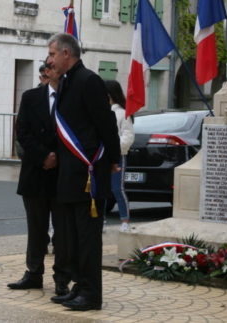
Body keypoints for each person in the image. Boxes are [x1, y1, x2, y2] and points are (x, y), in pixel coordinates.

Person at [47, 33, 120, 311]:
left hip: (88, 171)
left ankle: (92, 293)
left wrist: (112, 158)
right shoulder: (66, 81)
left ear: (67, 53)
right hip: (70, 172)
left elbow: (106, 123)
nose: (49, 60)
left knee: (88, 237)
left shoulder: (89, 80)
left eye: (52, 54)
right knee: (73, 237)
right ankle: (79, 285)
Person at [9, 59, 71, 295]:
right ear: (46, 72)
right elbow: (22, 131)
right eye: (53, 68)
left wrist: (56, 157)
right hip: (36, 172)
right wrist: (44, 156)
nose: (58, 72)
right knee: (36, 229)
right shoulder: (31, 97)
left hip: (63, 174)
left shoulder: (72, 97)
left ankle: (62, 279)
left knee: (63, 230)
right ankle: (33, 273)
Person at [104, 80, 135, 233]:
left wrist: (114, 151)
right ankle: (100, 220)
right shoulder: (102, 111)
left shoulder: (123, 113)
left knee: (117, 189)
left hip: (117, 156)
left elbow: (128, 136)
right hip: (102, 157)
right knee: (101, 189)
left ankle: (125, 220)